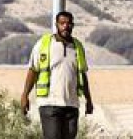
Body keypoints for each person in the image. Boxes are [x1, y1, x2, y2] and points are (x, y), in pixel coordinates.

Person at [21, 11, 95, 139]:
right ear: (56, 25)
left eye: (68, 23)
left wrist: (89, 100)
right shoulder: (43, 44)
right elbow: (33, 70)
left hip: (71, 105)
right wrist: (24, 95)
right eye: (62, 23)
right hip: (49, 104)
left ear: (72, 25)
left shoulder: (77, 47)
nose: (65, 26)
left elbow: (82, 75)